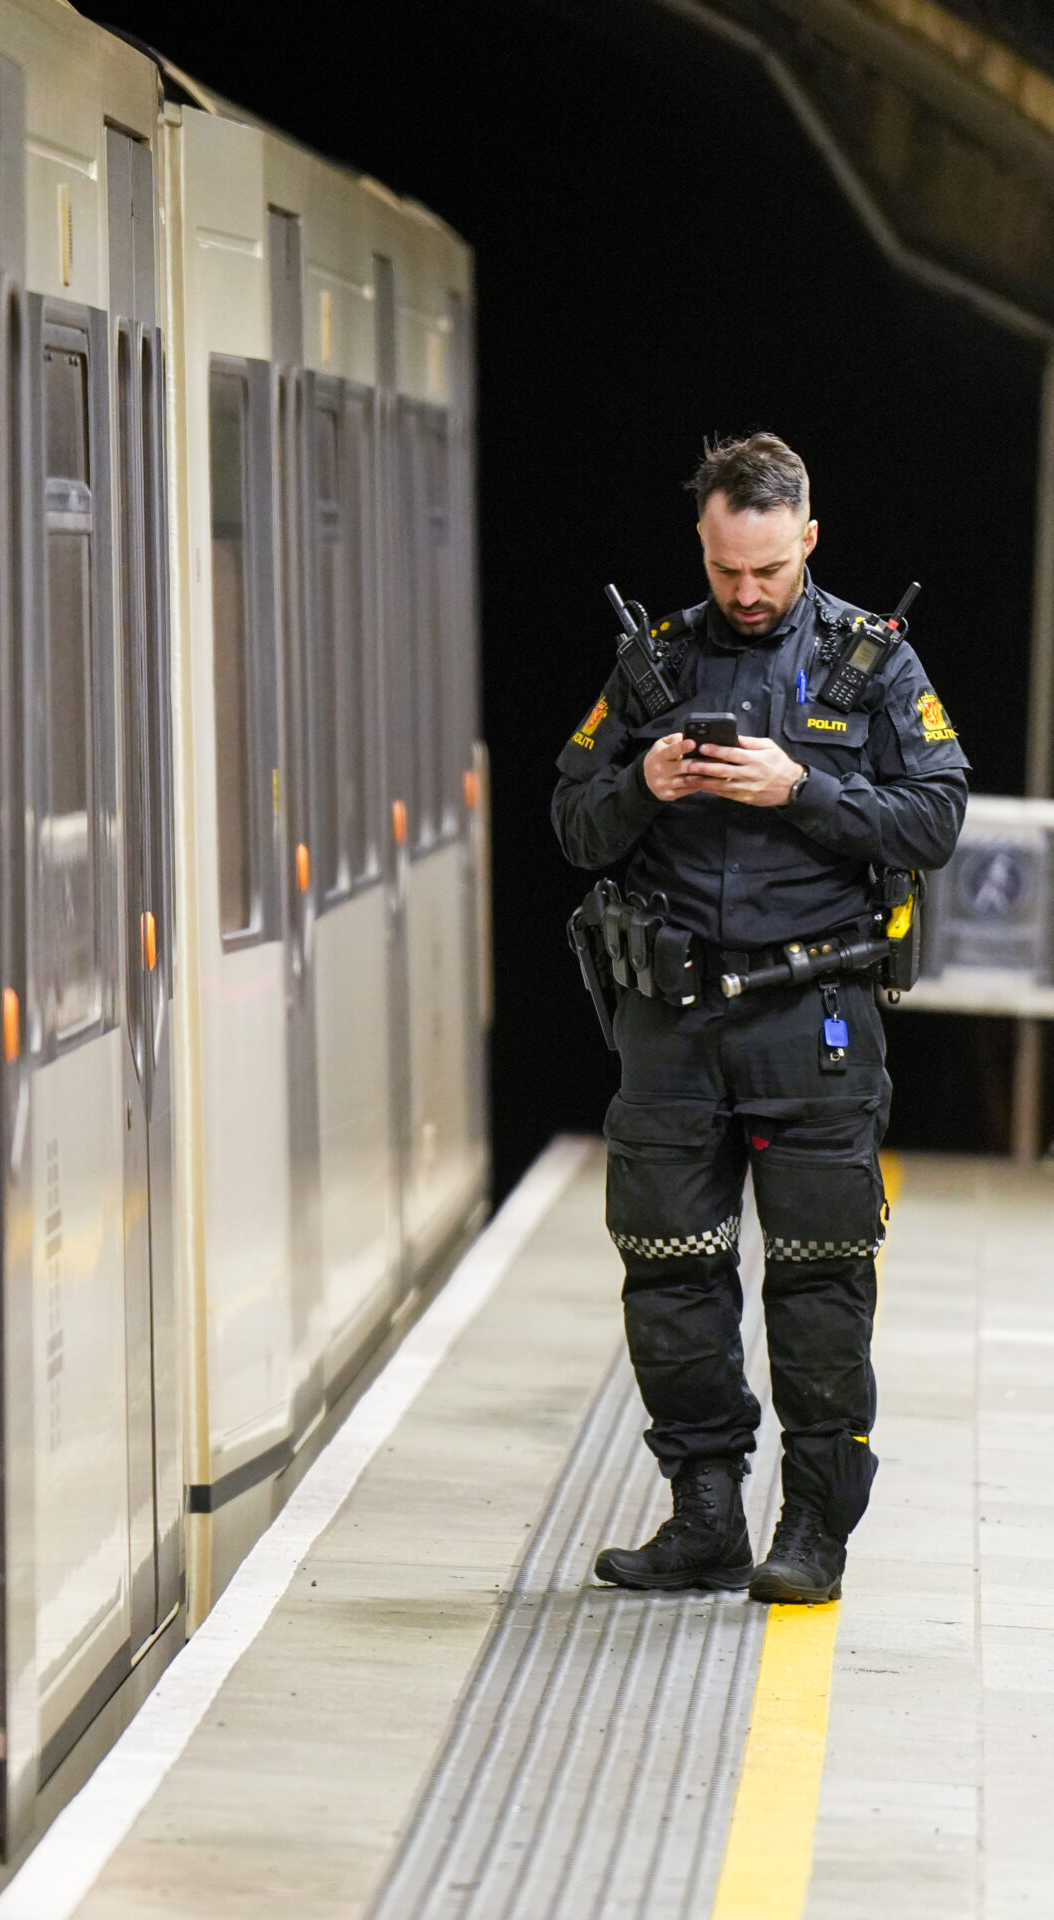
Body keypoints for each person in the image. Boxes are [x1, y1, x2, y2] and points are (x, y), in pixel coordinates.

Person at [551, 432, 968, 1603]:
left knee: (820, 1281)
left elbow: (935, 816)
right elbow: (572, 823)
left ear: (808, 543)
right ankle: (702, 1518)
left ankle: (812, 1537)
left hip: (815, 1020)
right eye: (728, 570)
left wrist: (805, 789)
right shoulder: (652, 667)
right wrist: (644, 784)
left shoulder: (871, 665)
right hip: (670, 1026)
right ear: (703, 542)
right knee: (669, 1272)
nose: (745, 594)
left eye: (769, 572)